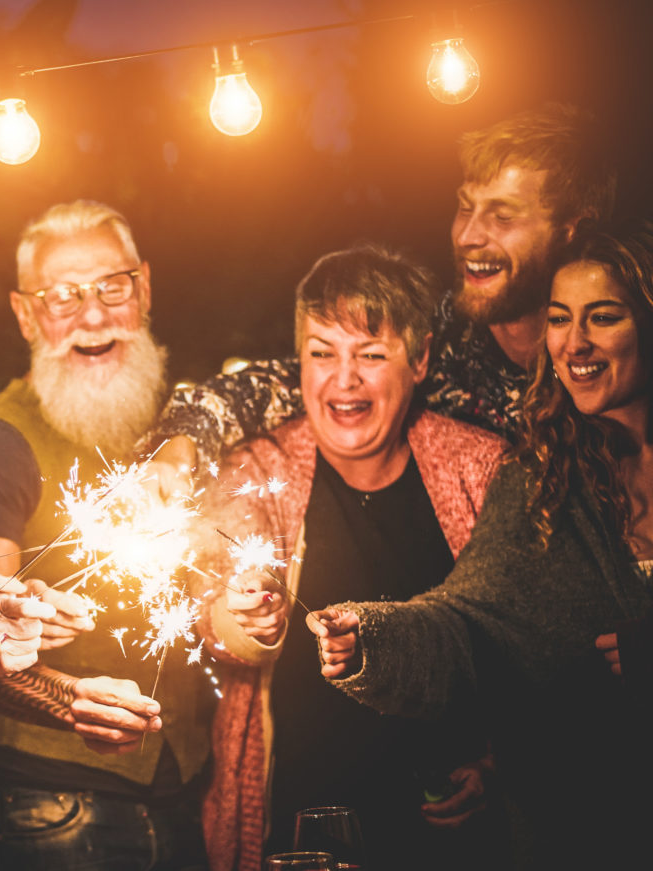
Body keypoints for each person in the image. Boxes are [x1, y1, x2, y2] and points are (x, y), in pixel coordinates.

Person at [310, 220, 653, 870]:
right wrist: (371, 639)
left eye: (602, 317)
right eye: (558, 318)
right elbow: (471, 627)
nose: (574, 342)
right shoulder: (543, 481)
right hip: (575, 842)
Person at [199, 246, 508, 871]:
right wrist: (247, 620)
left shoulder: (484, 468)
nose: (344, 380)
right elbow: (219, 621)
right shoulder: (259, 468)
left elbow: (533, 642)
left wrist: (499, 764)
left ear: (419, 360)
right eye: (322, 353)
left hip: (452, 837)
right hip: (298, 832)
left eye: (370, 355)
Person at [0, 199, 209, 870]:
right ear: (26, 314)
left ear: (144, 287)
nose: (93, 314)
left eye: (112, 286)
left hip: (181, 790)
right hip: (48, 806)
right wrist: (72, 702)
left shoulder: (177, 420)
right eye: (63, 296)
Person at [146, 104, 616, 483]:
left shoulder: (619, 354)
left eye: (503, 216)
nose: (469, 235)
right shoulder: (443, 334)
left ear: (573, 231)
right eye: (465, 207)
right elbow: (289, 383)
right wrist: (181, 444)